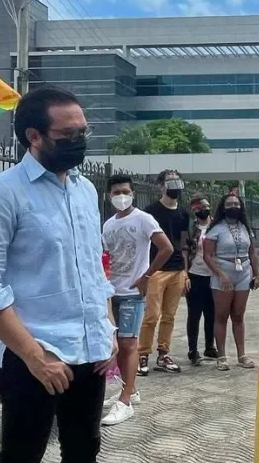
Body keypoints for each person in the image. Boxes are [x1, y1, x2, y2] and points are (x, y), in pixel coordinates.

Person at [0, 86, 118, 463]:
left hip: (89, 351)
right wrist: (35, 356)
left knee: (84, 450)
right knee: (22, 453)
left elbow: (92, 265)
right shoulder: (2, 193)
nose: (79, 141)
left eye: (84, 132)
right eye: (69, 135)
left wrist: (107, 327)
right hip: (34, 356)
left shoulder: (84, 189)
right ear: (34, 136)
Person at [100, 175, 173, 425]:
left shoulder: (143, 219)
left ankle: (125, 402)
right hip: (112, 292)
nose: (121, 196)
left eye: (125, 191)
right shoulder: (108, 224)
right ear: (109, 196)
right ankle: (130, 388)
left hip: (132, 294)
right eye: (117, 192)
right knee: (119, 346)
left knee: (129, 345)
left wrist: (147, 276)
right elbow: (106, 256)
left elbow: (166, 248)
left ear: (132, 193)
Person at [139, 170, 191, 374]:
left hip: (177, 269)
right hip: (156, 269)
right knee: (151, 315)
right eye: (170, 182)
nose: (175, 185)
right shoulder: (150, 211)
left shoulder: (184, 213)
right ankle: (142, 355)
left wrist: (186, 272)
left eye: (177, 180)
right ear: (161, 186)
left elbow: (184, 244)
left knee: (170, 316)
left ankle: (163, 353)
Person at [202, 192, 259, 371]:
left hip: (243, 272)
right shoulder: (215, 229)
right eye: (229, 204)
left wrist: (256, 274)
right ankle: (221, 356)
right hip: (224, 272)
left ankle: (241, 355)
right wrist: (221, 274)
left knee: (238, 315)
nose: (233, 207)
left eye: (236, 203)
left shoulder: (245, 227)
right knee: (221, 315)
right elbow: (207, 255)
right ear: (223, 207)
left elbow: (252, 252)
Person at [186, 195, 218, 365]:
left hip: (213, 275)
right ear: (193, 211)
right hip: (195, 273)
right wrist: (185, 274)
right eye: (198, 208)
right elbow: (185, 250)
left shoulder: (217, 226)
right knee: (194, 314)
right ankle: (193, 349)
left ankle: (209, 346)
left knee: (211, 313)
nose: (202, 210)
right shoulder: (191, 228)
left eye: (204, 206)